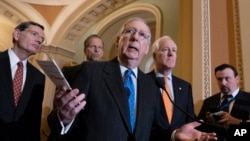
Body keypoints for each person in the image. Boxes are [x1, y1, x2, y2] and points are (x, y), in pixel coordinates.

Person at [47, 17, 217, 141]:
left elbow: (151, 130)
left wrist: (174, 135)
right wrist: (64, 118)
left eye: (143, 35)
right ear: (118, 41)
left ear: (146, 49)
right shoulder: (90, 71)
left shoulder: (151, 85)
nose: (136, 37)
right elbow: (63, 121)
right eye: (129, 32)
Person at [0, 21, 45, 140]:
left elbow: (34, 119)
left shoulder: (39, 77)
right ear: (17, 34)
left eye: (42, 39)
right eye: (34, 34)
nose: (39, 40)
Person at [147, 35, 196, 140]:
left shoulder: (185, 86)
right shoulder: (143, 82)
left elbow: (190, 119)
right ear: (155, 56)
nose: (171, 54)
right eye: (165, 49)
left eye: (174, 50)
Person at [197, 63, 250, 140]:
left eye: (227, 78)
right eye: (219, 79)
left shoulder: (248, 99)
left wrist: (238, 122)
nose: (223, 83)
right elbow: (198, 127)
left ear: (237, 79)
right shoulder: (208, 102)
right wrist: (206, 121)